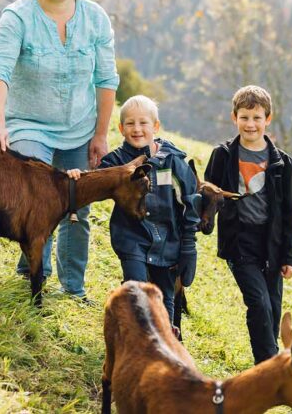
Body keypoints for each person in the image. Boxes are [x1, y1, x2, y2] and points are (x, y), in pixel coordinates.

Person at [0, 0, 119, 300]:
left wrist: (100, 135)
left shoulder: (95, 19)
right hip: (28, 124)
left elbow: (106, 81)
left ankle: (73, 287)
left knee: (77, 207)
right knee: (40, 197)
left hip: (79, 127)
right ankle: (30, 270)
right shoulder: (18, 16)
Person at [68, 95, 201, 326]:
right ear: (121, 128)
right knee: (137, 293)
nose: (136, 129)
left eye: (143, 123)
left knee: (163, 302)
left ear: (155, 126)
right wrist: (77, 177)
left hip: (169, 243)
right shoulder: (117, 163)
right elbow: (94, 181)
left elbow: (190, 204)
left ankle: (161, 349)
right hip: (131, 239)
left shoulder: (174, 162)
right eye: (130, 123)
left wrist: (188, 247)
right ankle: (133, 341)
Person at [204, 85, 292, 364]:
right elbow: (209, 194)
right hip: (239, 243)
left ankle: (268, 366)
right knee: (258, 303)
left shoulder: (284, 166)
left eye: (257, 118)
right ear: (234, 117)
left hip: (272, 245)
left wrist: (290, 256)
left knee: (271, 307)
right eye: (245, 117)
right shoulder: (222, 155)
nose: (250, 124)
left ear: (267, 119)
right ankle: (268, 367)